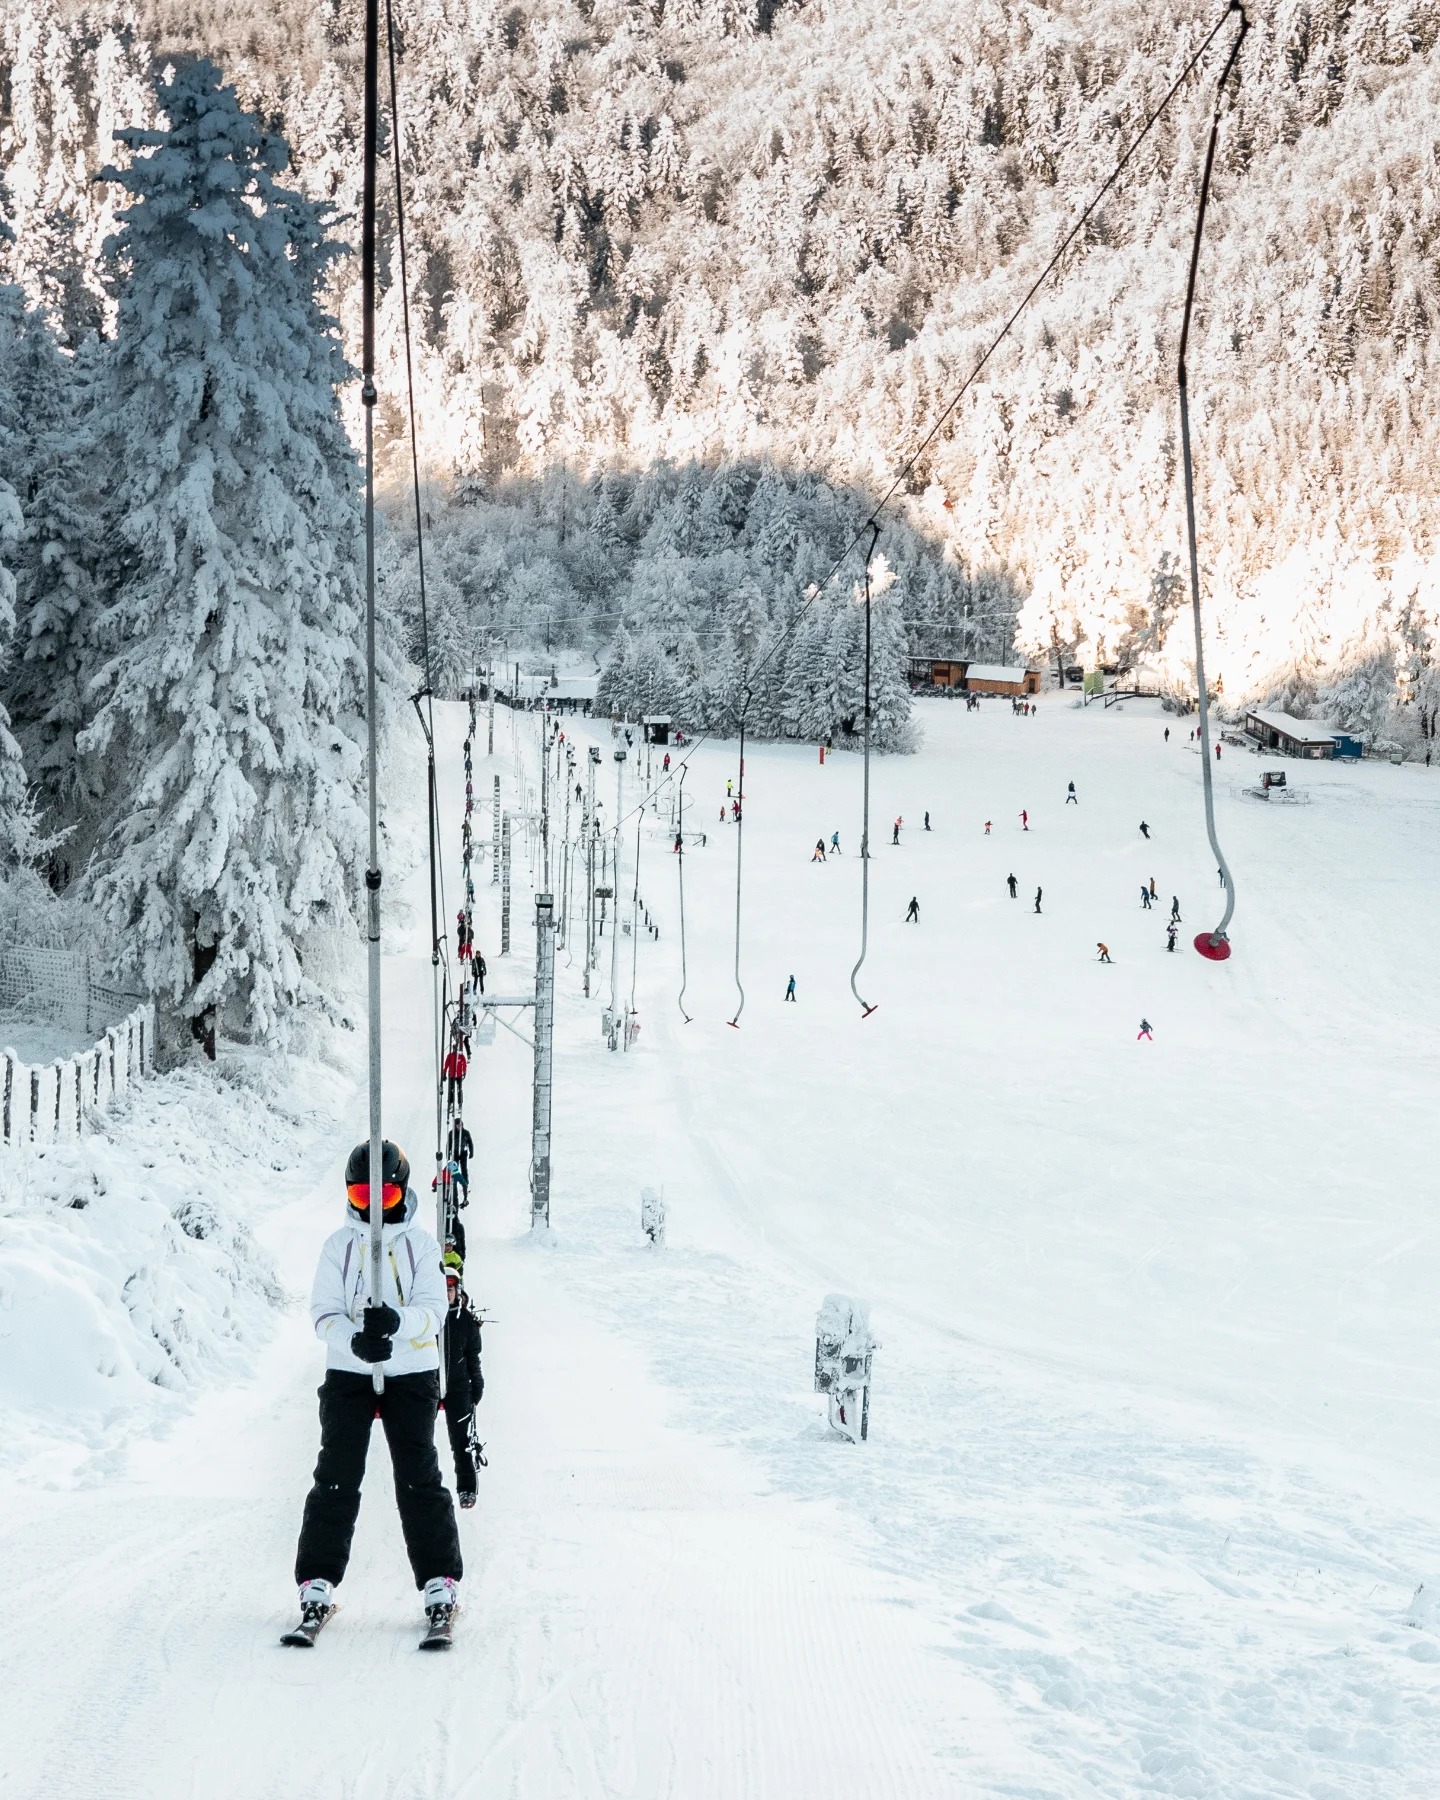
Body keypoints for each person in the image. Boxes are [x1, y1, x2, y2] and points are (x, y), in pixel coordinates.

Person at [291, 1140, 461, 1640]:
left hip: (411, 1371)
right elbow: (323, 1314)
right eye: (362, 1194)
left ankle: (439, 1581)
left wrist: (396, 1324)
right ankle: (316, 1582)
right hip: (350, 1373)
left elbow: (434, 1311)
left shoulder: (422, 1246)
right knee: (336, 1475)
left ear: (401, 1192)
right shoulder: (338, 1247)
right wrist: (354, 1341)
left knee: (418, 1476)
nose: (373, 1207)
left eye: (384, 1196)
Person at [441, 1250, 485, 1510]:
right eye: (442, 1288)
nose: (447, 1293)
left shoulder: (465, 1321)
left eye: (451, 1288)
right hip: (429, 1384)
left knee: (462, 1442)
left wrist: (476, 1383)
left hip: (458, 1386)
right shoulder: (428, 1318)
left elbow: (473, 1357)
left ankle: (467, 1488)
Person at [443, 1038, 467, 1112]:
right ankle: (451, 1103)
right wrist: (444, 1073)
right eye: (453, 1049)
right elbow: (446, 1065)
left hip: (459, 1076)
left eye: (455, 1048)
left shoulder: (461, 1056)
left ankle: (460, 1104)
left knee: (459, 1090)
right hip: (452, 1076)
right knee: (451, 1090)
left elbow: (464, 1064)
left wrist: (464, 1072)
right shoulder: (450, 1056)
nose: (454, 1050)